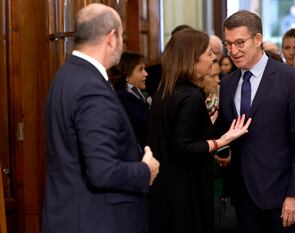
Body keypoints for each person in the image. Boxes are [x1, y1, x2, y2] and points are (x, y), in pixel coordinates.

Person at [42, 4, 159, 233]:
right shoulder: (90, 87)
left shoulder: (65, 75)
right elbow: (103, 171)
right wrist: (146, 170)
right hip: (96, 220)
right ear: (111, 37)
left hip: (68, 215)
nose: (122, 42)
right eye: (123, 35)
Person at [217, 10, 295, 233]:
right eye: (228, 44)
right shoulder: (228, 83)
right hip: (242, 198)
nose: (233, 51)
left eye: (240, 42)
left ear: (258, 40)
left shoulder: (291, 80)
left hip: (281, 197)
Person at [147, 29, 251, 233]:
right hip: (186, 192)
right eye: (208, 52)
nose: (214, 56)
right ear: (193, 59)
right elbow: (182, 148)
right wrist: (221, 141)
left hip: (165, 190)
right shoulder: (190, 96)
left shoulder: (165, 91)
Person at [109, 51, 150, 148]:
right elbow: (146, 126)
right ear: (127, 75)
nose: (146, 74)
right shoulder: (125, 100)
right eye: (140, 70)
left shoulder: (136, 93)